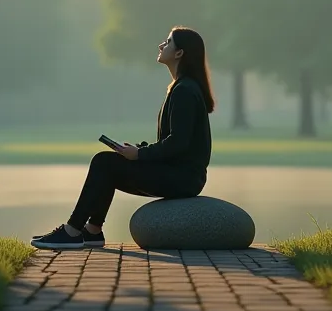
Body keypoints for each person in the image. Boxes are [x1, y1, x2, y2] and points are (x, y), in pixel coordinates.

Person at [31, 26, 215, 250]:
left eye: (167, 42)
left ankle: (72, 230)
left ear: (179, 53)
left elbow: (178, 143)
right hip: (180, 174)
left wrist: (139, 154)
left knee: (103, 162)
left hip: (183, 179)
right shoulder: (181, 88)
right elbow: (174, 142)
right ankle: (92, 231)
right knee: (109, 164)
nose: (161, 45)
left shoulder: (184, 90)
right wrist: (138, 150)